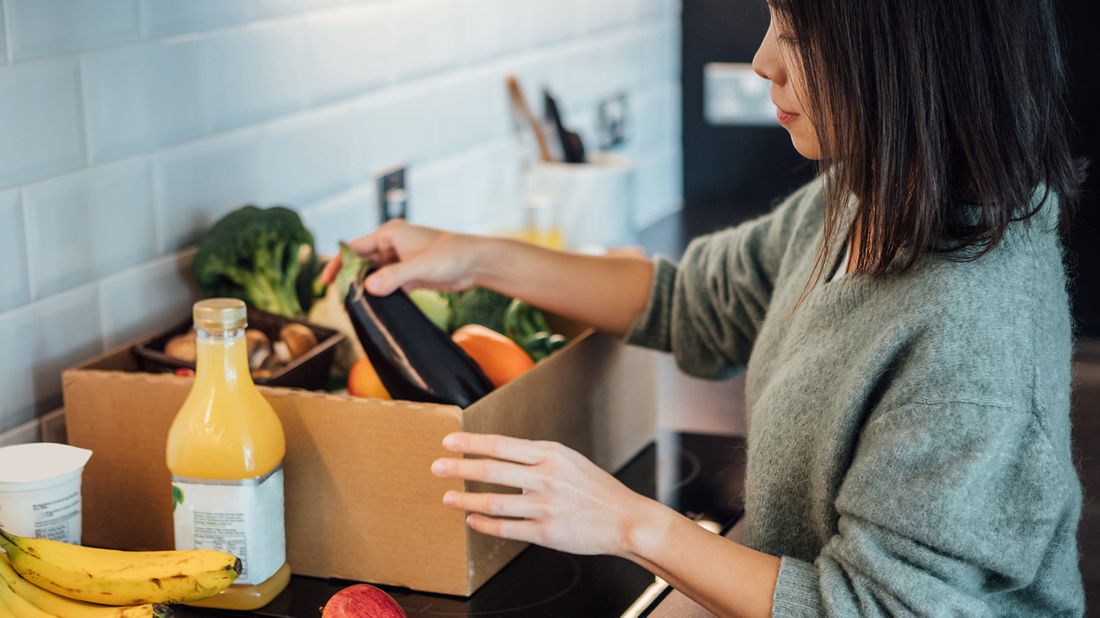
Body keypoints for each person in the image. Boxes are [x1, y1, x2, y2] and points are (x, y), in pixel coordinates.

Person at [323, 0, 1086, 614]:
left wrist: (628, 522)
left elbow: (880, 607)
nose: (762, 59)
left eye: (798, 31)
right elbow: (694, 301)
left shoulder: (971, 334)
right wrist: (474, 257)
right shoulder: (871, 198)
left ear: (908, 56)